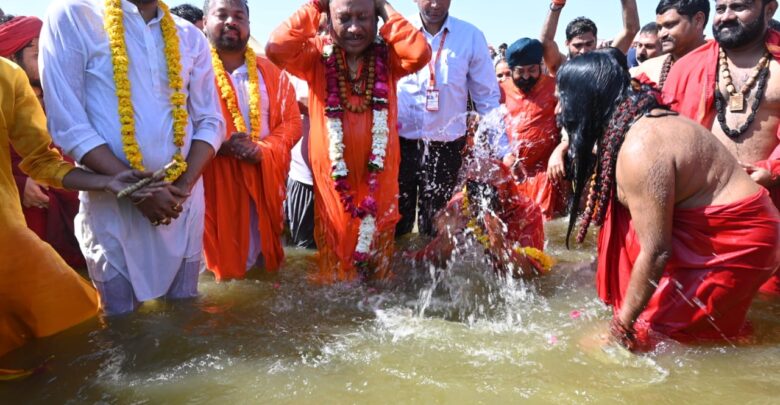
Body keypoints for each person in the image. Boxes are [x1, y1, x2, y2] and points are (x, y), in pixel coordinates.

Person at [559, 52, 779, 351]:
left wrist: (619, 330)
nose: (559, 108)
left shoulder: (641, 148)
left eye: (564, 99)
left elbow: (657, 251)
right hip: (724, 231)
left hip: (737, 242)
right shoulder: (636, 123)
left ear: (586, 100)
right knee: (682, 327)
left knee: (656, 338)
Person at [40, 0, 225, 315]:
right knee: (121, 321)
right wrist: (139, 191)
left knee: (185, 315)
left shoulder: (190, 36)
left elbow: (210, 120)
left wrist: (184, 185)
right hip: (114, 205)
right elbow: (67, 123)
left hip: (181, 204)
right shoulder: (74, 15)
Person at [0, 57, 162, 358]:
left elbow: (41, 161)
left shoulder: (7, 75)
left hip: (9, 250)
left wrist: (108, 181)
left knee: (82, 335)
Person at [266, 0, 431, 282]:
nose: (354, 28)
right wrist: (316, 5)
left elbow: (418, 53)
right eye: (344, 18)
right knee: (334, 271)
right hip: (334, 186)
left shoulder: (388, 58)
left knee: (379, 269)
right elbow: (277, 47)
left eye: (363, 17)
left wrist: (383, 6)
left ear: (376, 20)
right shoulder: (316, 56)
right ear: (329, 21)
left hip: (379, 183)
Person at [662, 0, 780, 296]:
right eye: (721, 8)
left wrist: (772, 171)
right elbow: (666, 134)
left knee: (766, 304)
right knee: (697, 301)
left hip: (770, 210)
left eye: (738, 7)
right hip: (702, 211)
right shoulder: (687, 67)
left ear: (769, 10)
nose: (726, 17)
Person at [200, 0, 301, 281]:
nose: (231, 22)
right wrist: (218, 147)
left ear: (248, 25)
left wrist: (263, 150)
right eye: (222, 15)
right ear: (205, 22)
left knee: (262, 266)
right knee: (209, 274)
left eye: (239, 16)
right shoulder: (193, 70)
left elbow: (292, 123)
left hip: (261, 182)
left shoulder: (272, 72)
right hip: (212, 186)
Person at [396, 0, 508, 237]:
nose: (435, 4)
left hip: (445, 150)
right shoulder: (398, 31)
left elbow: (487, 98)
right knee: (395, 224)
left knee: (438, 230)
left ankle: (431, 260)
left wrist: (502, 150)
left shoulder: (470, 36)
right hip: (400, 147)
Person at [0, 16, 86, 268]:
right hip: (19, 208)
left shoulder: (58, 95)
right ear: (12, 58)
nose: (46, 63)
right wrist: (19, 184)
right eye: (37, 55)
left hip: (66, 199)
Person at [410, 158, 552, 278]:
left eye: (489, 191)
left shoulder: (528, 213)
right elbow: (430, 264)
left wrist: (501, 248)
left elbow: (534, 273)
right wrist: (446, 240)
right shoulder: (459, 205)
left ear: (505, 191)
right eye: (473, 188)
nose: (479, 197)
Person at [500, 38, 568, 220]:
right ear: (511, 70)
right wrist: (504, 154)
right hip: (512, 170)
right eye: (520, 71)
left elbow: (570, 124)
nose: (526, 76)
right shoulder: (500, 91)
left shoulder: (554, 87)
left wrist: (561, 149)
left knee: (544, 224)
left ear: (540, 66)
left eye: (532, 70)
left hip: (545, 171)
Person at [540, 0, 639, 75]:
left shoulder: (606, 62)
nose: (583, 51)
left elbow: (631, 30)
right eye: (578, 45)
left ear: (595, 40)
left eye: (589, 44)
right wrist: (557, 3)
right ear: (567, 43)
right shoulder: (562, 66)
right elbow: (546, 42)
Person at [631, 0, 709, 89]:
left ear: (698, 20)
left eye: (670, 25)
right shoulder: (647, 71)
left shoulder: (719, 66)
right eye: (659, 28)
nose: (662, 34)